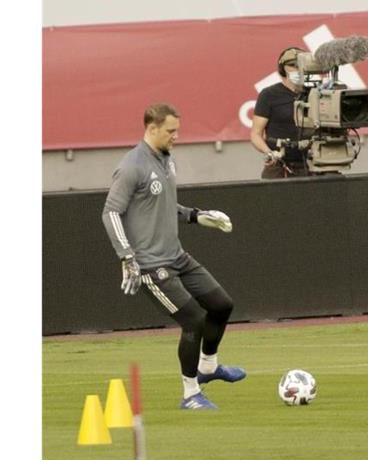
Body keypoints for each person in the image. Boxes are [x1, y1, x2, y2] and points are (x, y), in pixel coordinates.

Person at [102, 103, 246, 410]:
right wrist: (127, 256)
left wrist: (197, 216)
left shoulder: (167, 160)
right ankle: (190, 394)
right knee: (194, 320)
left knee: (222, 305)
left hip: (177, 257)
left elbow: (164, 207)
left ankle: (208, 367)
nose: (176, 136)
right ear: (151, 129)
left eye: (177, 130)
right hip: (152, 266)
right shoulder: (132, 166)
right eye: (170, 131)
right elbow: (111, 212)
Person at [250, 47, 313, 178]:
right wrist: (269, 153)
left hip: (311, 165)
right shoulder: (269, 95)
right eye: (293, 65)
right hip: (279, 166)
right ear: (282, 69)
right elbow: (255, 134)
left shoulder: (315, 94)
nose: (298, 69)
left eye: (301, 65)